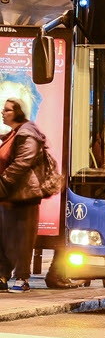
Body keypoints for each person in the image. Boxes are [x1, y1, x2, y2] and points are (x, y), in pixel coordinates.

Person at [0, 98, 46, 293]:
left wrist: (2, 182)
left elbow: (22, 163)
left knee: (23, 238)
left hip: (24, 195)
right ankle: (3, 276)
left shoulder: (27, 134)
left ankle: (22, 278)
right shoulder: (14, 133)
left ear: (18, 112)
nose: (3, 113)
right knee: (5, 237)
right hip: (10, 195)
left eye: (7, 110)